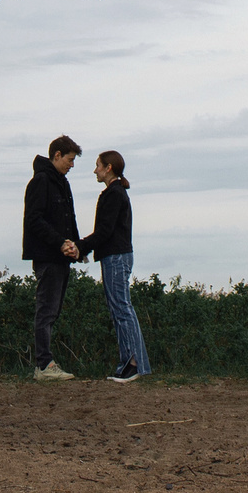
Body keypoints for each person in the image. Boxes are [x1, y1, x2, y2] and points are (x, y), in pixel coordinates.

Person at [77, 149, 147, 382]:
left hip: (116, 257)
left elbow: (105, 231)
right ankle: (130, 363)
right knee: (120, 308)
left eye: (98, 165)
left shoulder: (115, 194)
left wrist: (81, 247)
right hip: (115, 256)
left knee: (121, 308)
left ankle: (132, 364)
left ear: (108, 168)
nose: (95, 169)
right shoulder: (114, 193)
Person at [21, 136, 83, 380]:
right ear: (56, 155)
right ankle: (44, 366)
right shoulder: (41, 181)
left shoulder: (62, 183)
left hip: (62, 258)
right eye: (69, 159)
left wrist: (76, 247)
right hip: (47, 257)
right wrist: (60, 243)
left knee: (52, 311)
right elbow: (34, 220)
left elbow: (69, 219)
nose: (72, 165)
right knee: (46, 310)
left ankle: (46, 364)